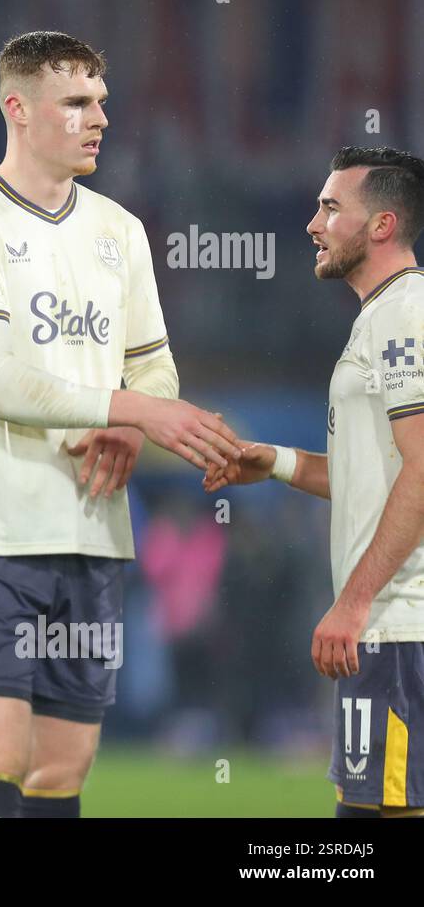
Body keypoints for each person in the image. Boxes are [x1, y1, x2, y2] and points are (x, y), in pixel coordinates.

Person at [0, 30, 240, 818]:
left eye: (101, 102)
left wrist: (132, 426)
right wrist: (135, 407)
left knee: (59, 779)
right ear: (18, 109)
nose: (98, 118)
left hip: (92, 533)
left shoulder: (118, 231)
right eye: (76, 103)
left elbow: (153, 365)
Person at [205, 146, 424, 818]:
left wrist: (355, 604)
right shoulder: (382, 316)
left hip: (397, 626)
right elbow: (375, 478)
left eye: (331, 207)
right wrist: (269, 460)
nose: (313, 223)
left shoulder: (403, 318)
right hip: (391, 629)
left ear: (382, 225)